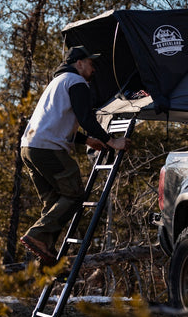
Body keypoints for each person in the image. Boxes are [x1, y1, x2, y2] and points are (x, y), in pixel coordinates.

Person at [20, 45, 131, 266]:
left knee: (53, 202)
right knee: (74, 195)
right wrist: (112, 141)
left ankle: (46, 257)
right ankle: (37, 235)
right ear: (78, 63)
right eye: (91, 64)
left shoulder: (57, 83)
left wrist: (86, 140)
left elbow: (56, 121)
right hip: (48, 148)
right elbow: (87, 119)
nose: (94, 69)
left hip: (29, 147)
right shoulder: (76, 82)